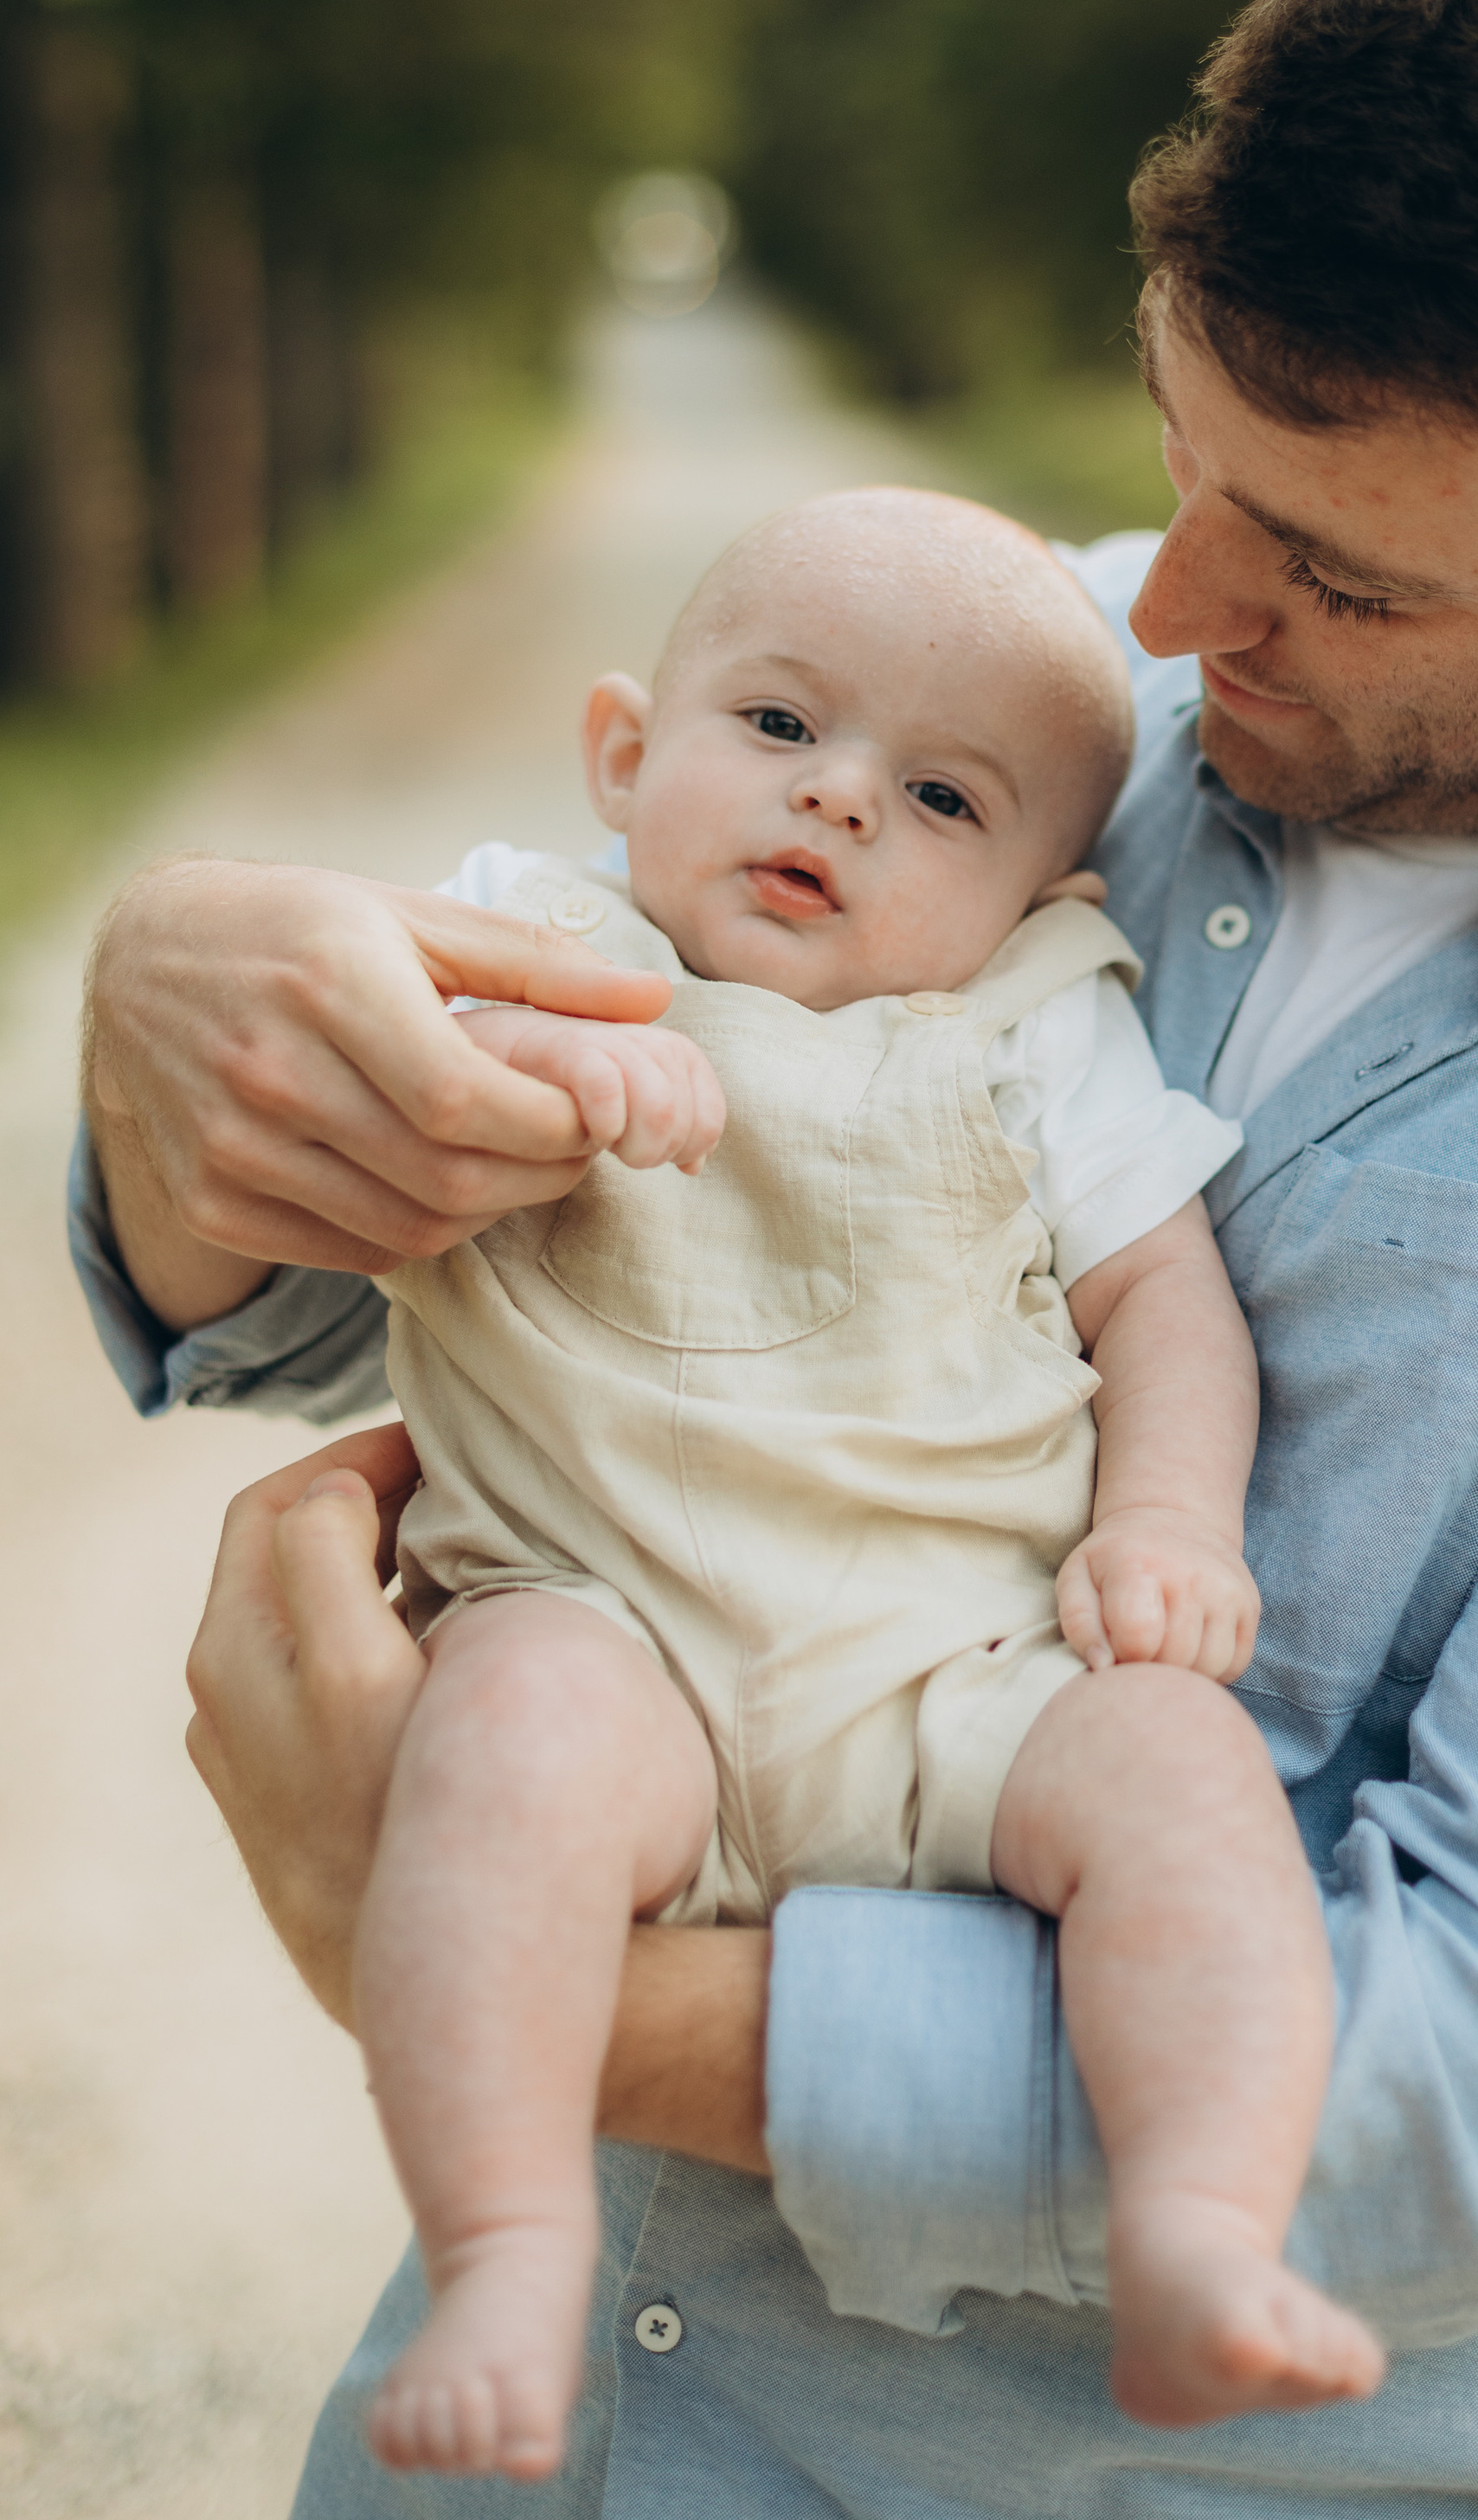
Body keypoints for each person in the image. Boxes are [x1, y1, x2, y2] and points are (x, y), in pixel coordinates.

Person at [79, 0, 1478, 2517]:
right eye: (1181, 458)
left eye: (1341, 574)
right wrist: (174, 1069)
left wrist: (482, 1958)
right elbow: (406, 1272)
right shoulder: (1010, 686)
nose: (1179, 621)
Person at [350, 487, 1380, 2477]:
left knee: (1176, 1773)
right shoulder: (534, 940)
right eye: (778, 731)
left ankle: (1194, 2228)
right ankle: (500, 2242)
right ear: (620, 757)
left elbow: (1165, 1299)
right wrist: (508, 1055)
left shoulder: (1031, 1040)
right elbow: (365, 1067)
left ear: (1046, 897)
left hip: (951, 1681)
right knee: (494, 1760)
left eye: (939, 802)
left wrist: (1164, 1524)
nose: (835, 806)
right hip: (607, 1637)